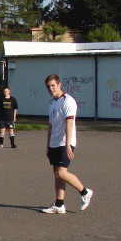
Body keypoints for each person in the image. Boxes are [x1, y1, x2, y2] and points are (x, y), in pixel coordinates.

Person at [42, 74, 92, 214]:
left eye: (53, 85)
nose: (51, 89)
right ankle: (59, 204)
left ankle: (85, 192)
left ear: (59, 85)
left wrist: (68, 144)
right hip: (54, 143)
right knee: (57, 174)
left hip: (65, 142)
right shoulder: (52, 103)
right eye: (48, 87)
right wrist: (48, 146)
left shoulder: (68, 101)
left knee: (62, 173)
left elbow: (69, 124)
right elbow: (51, 126)